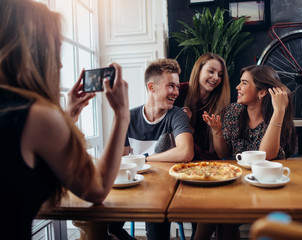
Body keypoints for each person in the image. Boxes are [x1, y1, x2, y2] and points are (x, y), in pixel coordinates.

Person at [0, 1, 130, 239]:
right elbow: (97, 188)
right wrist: (122, 114)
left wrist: (66, 117)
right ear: (35, 52)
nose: (60, 63)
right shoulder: (38, 117)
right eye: (56, 49)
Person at [196, 65, 296, 240]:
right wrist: (217, 132)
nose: (237, 87)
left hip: (265, 188)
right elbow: (223, 154)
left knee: (220, 211)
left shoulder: (275, 117)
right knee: (215, 209)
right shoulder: (234, 111)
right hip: (236, 182)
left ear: (261, 92)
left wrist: (279, 110)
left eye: (243, 83)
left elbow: (266, 154)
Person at [109, 59, 194, 240]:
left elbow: (186, 152)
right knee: (106, 229)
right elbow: (120, 158)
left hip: (161, 191)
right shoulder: (128, 116)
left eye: (178, 87)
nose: (176, 92)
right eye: (171, 86)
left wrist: (143, 159)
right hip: (131, 186)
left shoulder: (176, 115)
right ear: (152, 87)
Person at [174, 52, 230, 161]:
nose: (216, 77)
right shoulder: (180, 91)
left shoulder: (220, 102)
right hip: (182, 159)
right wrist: (183, 122)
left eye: (220, 74)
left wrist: (217, 131)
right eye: (211, 71)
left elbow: (222, 153)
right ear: (198, 70)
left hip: (210, 163)